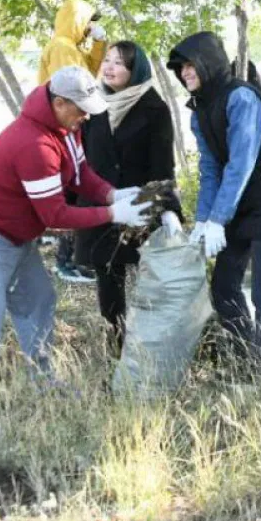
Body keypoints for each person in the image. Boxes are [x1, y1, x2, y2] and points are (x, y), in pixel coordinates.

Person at [0, 65, 151, 431]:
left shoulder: (66, 127)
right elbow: (55, 214)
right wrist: (112, 213)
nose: (87, 115)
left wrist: (111, 193)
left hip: (15, 233)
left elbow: (80, 173)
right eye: (81, 108)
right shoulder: (35, 144)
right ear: (59, 102)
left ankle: (42, 382)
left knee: (40, 301)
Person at [169, 32, 261, 361]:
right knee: (224, 287)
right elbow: (212, 167)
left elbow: (242, 163)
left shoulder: (241, 97)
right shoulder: (199, 108)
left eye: (190, 65)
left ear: (208, 62)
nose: (185, 73)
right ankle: (250, 355)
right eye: (181, 68)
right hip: (238, 207)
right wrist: (203, 219)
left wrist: (217, 218)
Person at [74, 41, 182, 355]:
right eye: (106, 60)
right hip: (100, 205)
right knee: (108, 278)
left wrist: (167, 208)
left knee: (150, 278)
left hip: (139, 205)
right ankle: (118, 346)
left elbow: (162, 163)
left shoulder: (153, 108)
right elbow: (79, 158)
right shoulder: (93, 104)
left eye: (119, 63)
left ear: (135, 70)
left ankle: (155, 347)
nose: (109, 68)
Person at [36, 0, 109, 284]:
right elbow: (75, 88)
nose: (91, 27)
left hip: (67, 125)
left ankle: (69, 259)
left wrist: (100, 46)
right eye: (89, 21)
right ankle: (67, 262)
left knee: (72, 188)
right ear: (77, 20)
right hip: (62, 126)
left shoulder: (71, 48)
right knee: (70, 191)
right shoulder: (62, 48)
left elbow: (89, 73)